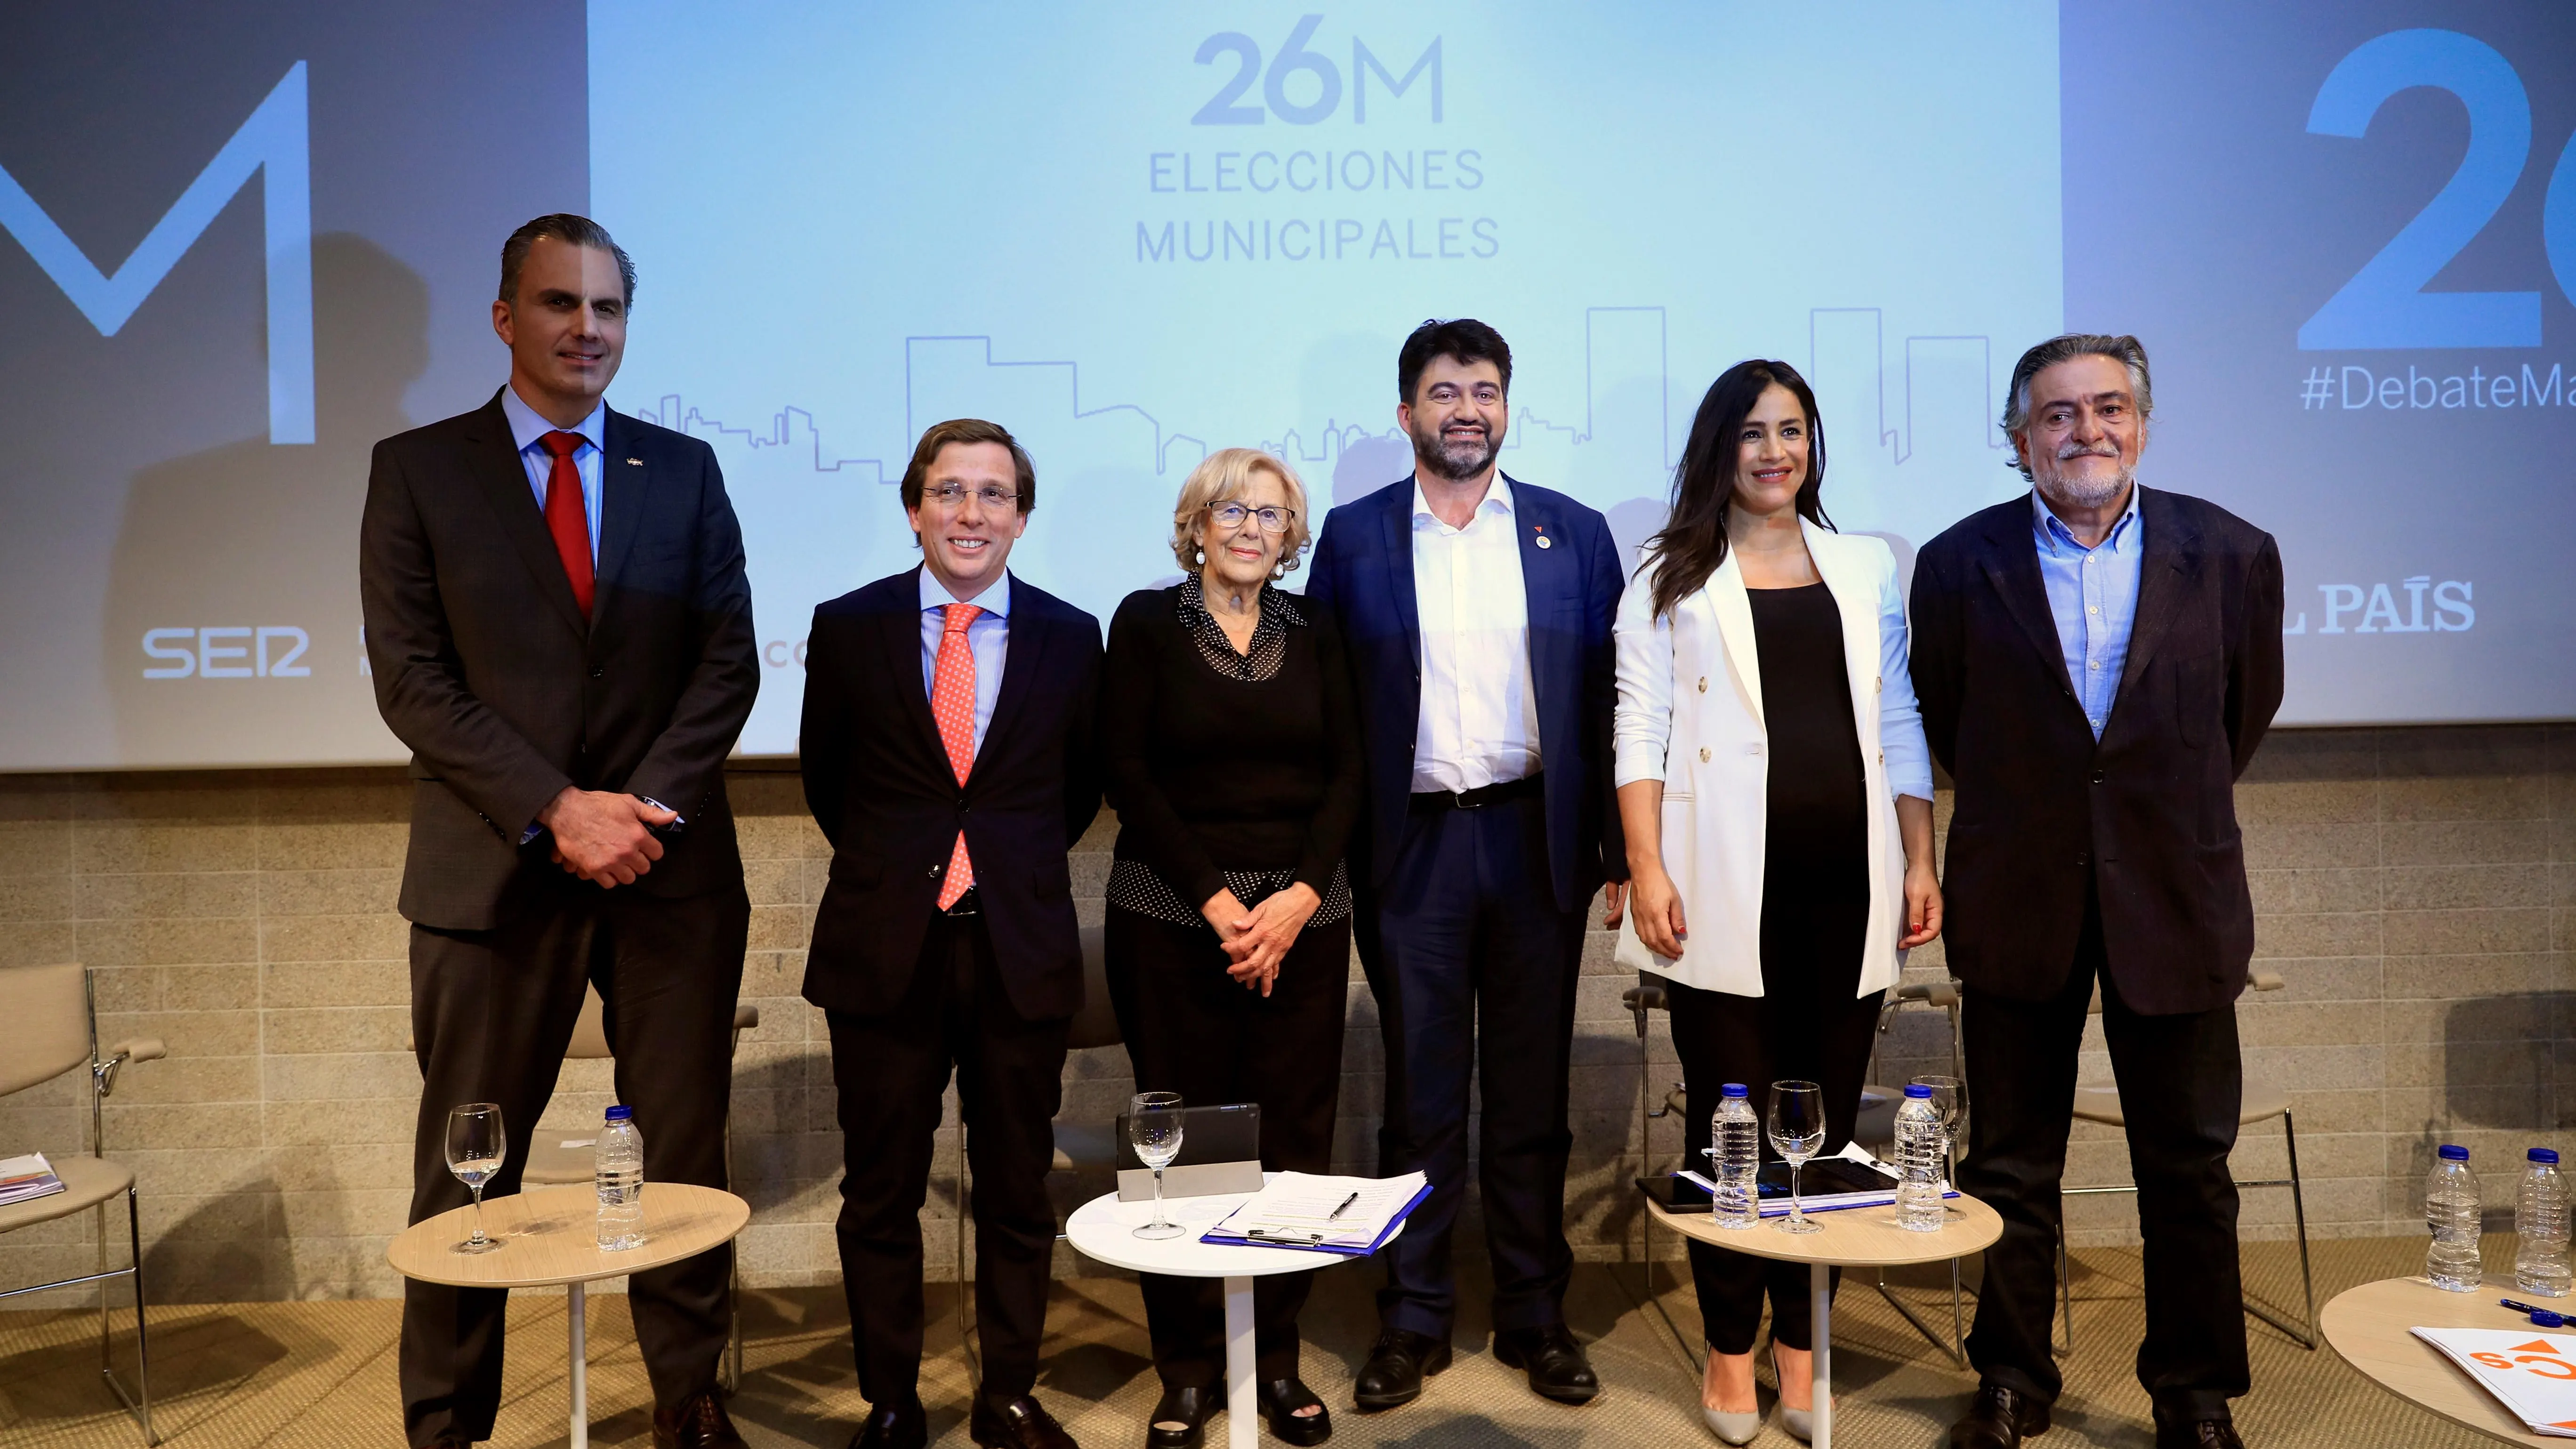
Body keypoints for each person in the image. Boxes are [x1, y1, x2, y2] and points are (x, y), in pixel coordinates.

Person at [360, 214, 758, 1449]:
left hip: (668, 867)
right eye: (559, 304)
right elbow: (413, 681)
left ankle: (688, 1398)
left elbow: (728, 662)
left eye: (608, 309)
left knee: (683, 1153)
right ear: (505, 317)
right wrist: (556, 806)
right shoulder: (419, 468)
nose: (587, 329)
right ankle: (447, 1420)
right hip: (493, 869)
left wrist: (634, 809)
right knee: (471, 1157)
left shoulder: (680, 468)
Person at [1911, 335, 2283, 1449]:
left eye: (2108, 408)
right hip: (2020, 896)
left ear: (2145, 422)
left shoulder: (2229, 551)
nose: (2087, 432)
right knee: (2012, 1164)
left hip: (2175, 899)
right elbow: (1947, 718)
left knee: (2189, 1163)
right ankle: (2015, 1381)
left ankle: (2195, 1393)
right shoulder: (1954, 562)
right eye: (2059, 415)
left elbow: (2240, 715)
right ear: (2020, 438)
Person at [1612, 360, 1941, 1444]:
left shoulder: (1860, 565)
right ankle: (1728, 1348)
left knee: (1831, 1131)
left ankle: (1804, 1349)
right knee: (1734, 1132)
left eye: (1792, 430)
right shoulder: (1670, 569)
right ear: (1721, 447)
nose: (1774, 451)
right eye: (1752, 432)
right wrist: (1647, 867)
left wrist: (1920, 858)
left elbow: (1898, 718)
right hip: (1718, 889)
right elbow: (1638, 728)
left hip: (1847, 884)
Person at [1303, 318, 1629, 1413]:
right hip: (1413, 847)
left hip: (1538, 843)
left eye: (1485, 390)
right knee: (1421, 1097)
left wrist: (1620, 855)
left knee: (1533, 1096)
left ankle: (1538, 1315)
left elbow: (1607, 704)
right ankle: (1414, 1318)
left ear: (1507, 405)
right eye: (1444, 392)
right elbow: (1330, 711)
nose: (1467, 410)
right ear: (1406, 414)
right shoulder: (1351, 538)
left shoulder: (1572, 535)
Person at [799, 419, 1103, 1449]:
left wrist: (994, 871)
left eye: (993, 495)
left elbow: (1073, 793)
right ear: (914, 505)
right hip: (886, 951)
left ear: (1022, 515)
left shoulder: (1073, 635)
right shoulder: (846, 628)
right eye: (949, 492)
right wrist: (916, 873)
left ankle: (1008, 1392)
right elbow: (828, 784)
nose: (970, 514)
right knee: (879, 1189)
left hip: (1017, 946)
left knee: (1018, 1187)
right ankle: (891, 1399)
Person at [1100, 448, 1363, 1449]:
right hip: (1172, 922)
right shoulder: (1145, 623)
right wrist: (1219, 905)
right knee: (1185, 1146)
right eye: (1232, 511)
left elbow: (1350, 772)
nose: (1252, 528)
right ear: (1196, 525)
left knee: (1293, 1148)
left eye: (1273, 514)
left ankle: (1277, 1361)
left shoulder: (1317, 628)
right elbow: (1125, 768)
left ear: (1291, 536)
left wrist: (1295, 900)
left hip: (1304, 923)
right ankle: (1189, 1369)